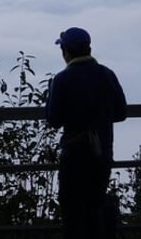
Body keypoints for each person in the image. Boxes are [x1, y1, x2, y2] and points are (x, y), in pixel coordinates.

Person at [45, 27, 127, 239]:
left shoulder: (62, 79)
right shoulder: (107, 74)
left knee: (73, 214)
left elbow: (53, 120)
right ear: (88, 48)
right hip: (102, 154)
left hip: (74, 156)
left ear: (66, 51)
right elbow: (121, 112)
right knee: (95, 209)